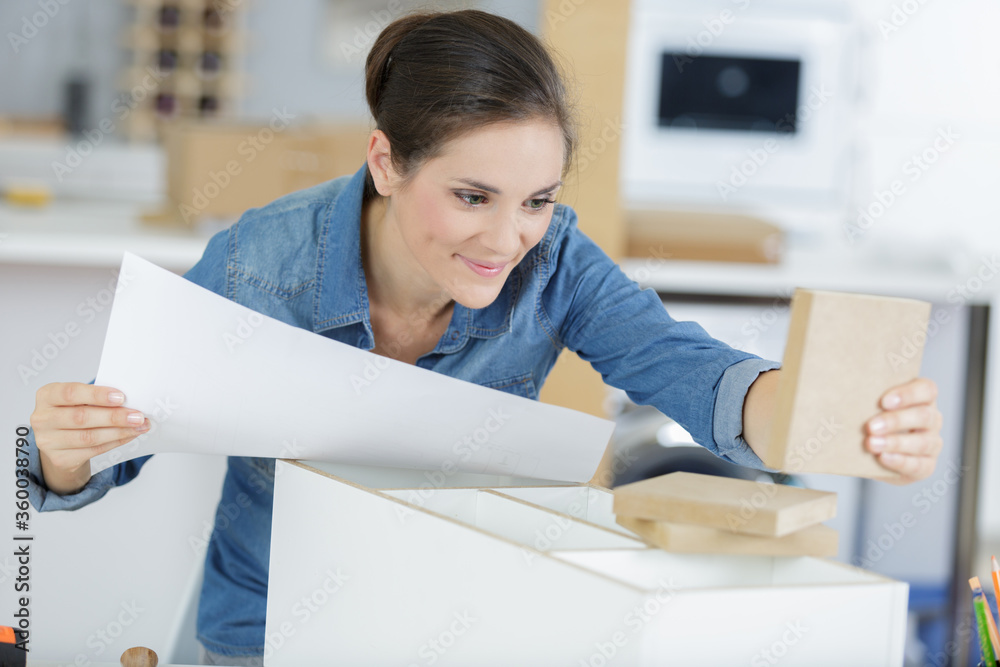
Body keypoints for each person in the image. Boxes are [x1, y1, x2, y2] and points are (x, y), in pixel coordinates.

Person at [25, 9, 944, 665]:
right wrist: (66, 455)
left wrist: (839, 419)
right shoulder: (262, 263)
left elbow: (689, 370)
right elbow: (112, 448)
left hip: (460, 620)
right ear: (386, 159)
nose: (508, 240)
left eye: (536, 200)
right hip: (264, 631)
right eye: (472, 196)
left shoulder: (556, 264)